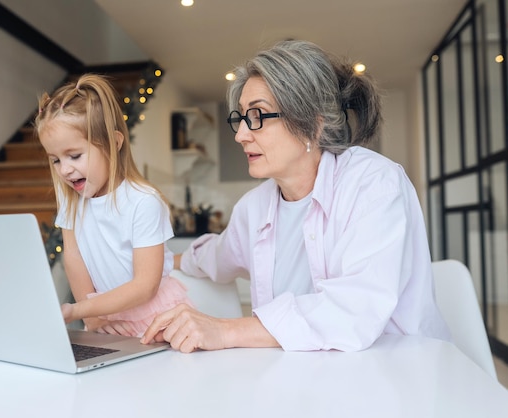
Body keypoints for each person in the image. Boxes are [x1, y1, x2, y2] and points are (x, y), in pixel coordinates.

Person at [141, 40, 451, 352]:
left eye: (258, 115)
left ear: (312, 126)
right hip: (302, 380)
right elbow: (215, 256)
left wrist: (226, 331)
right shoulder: (254, 207)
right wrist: (156, 260)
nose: (241, 135)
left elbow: (354, 309)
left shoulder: (374, 184)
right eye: (241, 118)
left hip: (400, 372)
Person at [34, 74, 192, 337]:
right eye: (55, 160)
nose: (65, 169)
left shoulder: (143, 201)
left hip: (157, 317)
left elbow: (145, 286)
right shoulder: (71, 200)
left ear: (114, 143)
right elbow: (73, 259)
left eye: (74, 156)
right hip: (104, 319)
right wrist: (92, 315)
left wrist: (78, 310)